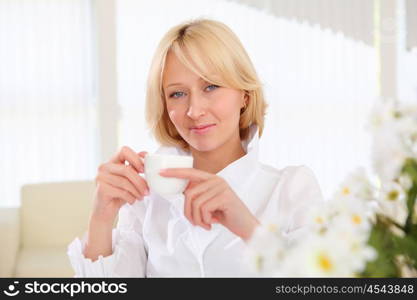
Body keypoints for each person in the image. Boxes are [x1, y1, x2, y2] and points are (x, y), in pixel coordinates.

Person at [67, 18, 323, 277]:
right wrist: (100, 218)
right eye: (177, 94)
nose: (194, 110)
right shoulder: (145, 200)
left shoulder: (292, 189)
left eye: (211, 87)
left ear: (244, 95)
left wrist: (248, 228)